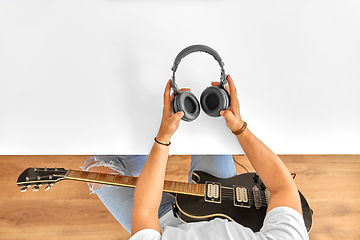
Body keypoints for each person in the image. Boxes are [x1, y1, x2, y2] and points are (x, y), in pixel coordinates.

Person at [82, 75, 309, 240]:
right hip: (225, 206)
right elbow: (282, 187)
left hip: (161, 221)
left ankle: (143, 160)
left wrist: (162, 139)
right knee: (209, 126)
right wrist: (240, 128)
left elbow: (146, 211)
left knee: (94, 168)